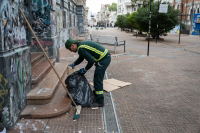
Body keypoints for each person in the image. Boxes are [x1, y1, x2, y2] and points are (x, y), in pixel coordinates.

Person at [65, 38, 111, 107]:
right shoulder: (80, 46)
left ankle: (100, 101)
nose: (71, 51)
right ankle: (97, 94)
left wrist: (85, 69)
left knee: (97, 80)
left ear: (73, 45)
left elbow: (91, 60)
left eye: (69, 49)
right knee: (97, 79)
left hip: (103, 60)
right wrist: (74, 63)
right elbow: (81, 57)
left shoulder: (80, 49)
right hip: (104, 58)